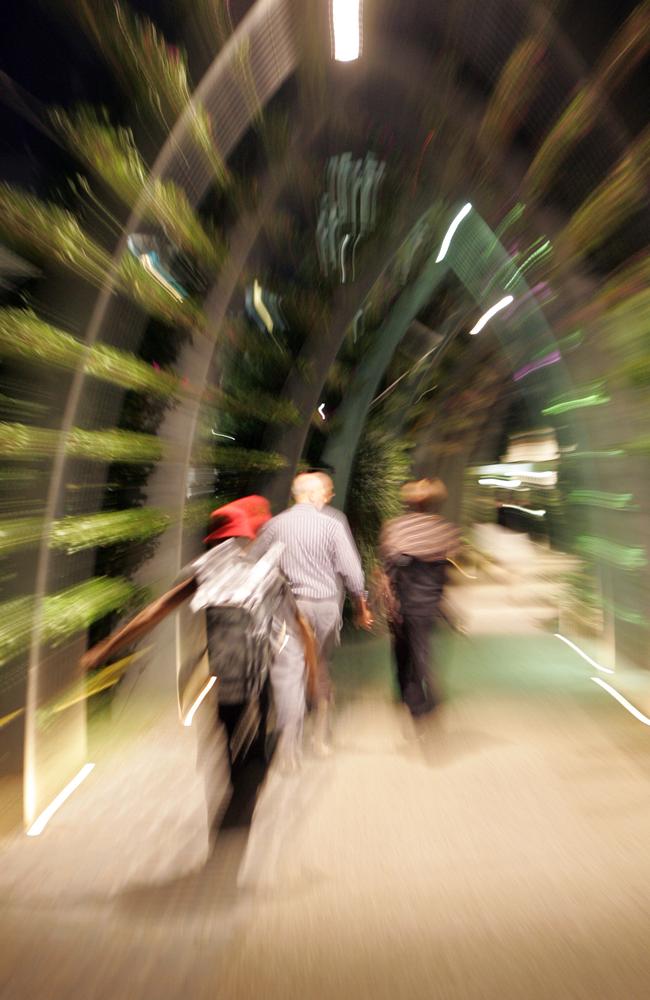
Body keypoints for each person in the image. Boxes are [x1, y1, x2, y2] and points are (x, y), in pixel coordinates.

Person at [253, 472, 373, 765]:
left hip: (290, 609)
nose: (329, 497)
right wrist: (361, 607)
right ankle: (320, 739)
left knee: (289, 673)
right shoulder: (332, 525)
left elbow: (255, 564)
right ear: (312, 494)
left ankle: (289, 749)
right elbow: (353, 573)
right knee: (319, 667)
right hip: (326, 609)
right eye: (327, 492)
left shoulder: (275, 526)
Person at [379, 478, 459, 725]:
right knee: (423, 648)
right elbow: (452, 565)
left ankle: (410, 698)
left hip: (403, 601)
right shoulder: (445, 530)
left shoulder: (396, 528)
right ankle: (428, 691)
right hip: (430, 602)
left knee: (403, 650)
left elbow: (387, 568)